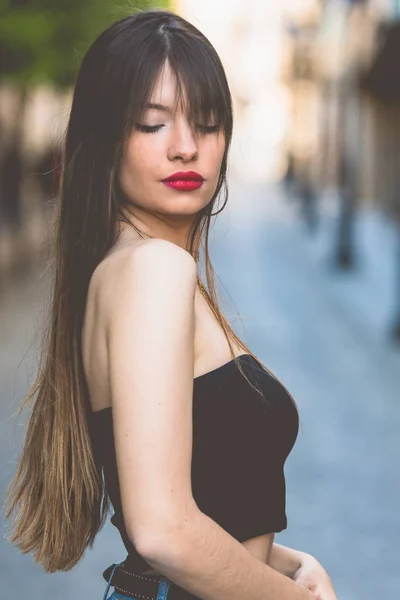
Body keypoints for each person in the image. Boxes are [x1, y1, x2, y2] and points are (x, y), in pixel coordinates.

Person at [4, 9, 337, 600]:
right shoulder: (155, 269)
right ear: (106, 138)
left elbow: (199, 504)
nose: (186, 148)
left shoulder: (122, 266)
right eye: (150, 124)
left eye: (207, 123)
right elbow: (161, 530)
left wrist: (286, 565)